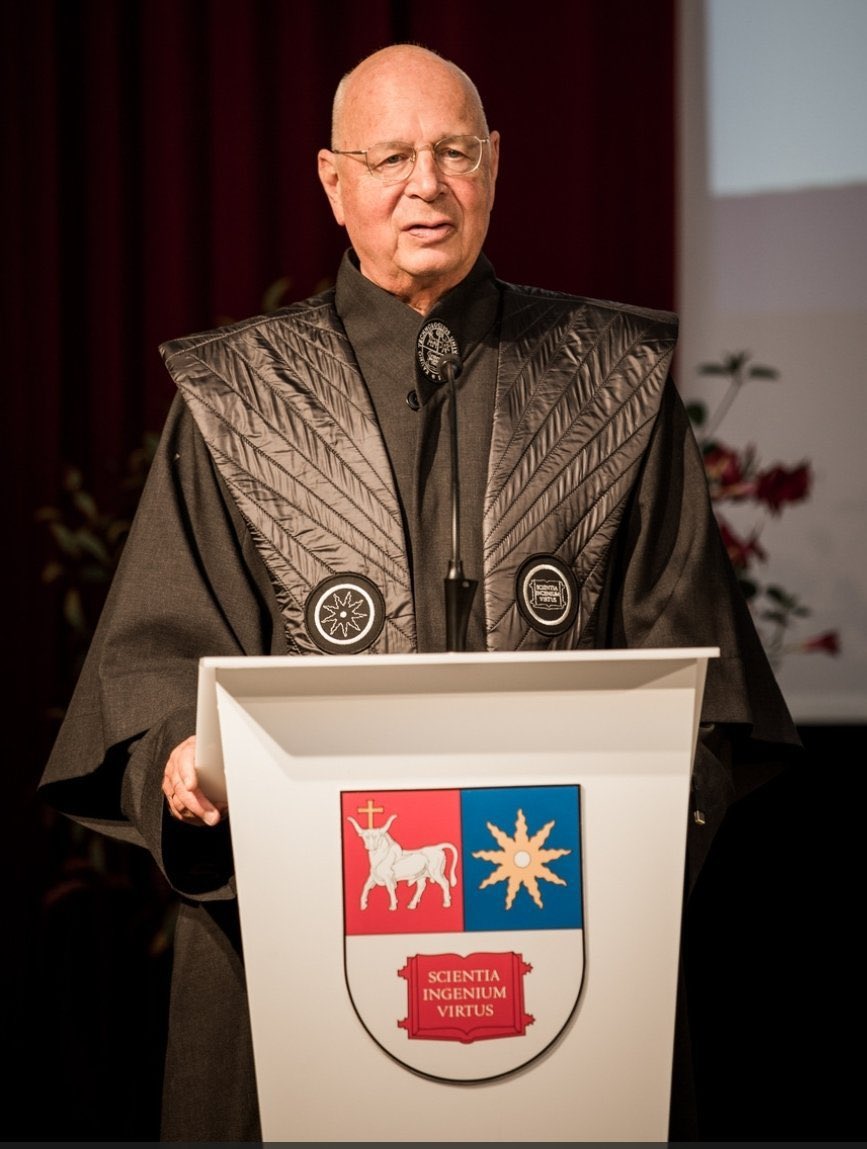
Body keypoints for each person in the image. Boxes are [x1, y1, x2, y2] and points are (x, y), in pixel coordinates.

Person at [40, 43, 800, 1142]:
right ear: (331, 180)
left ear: (495, 165)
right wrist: (181, 758)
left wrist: (640, 816)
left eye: (454, 152)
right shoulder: (239, 398)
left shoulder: (610, 381)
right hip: (291, 942)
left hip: (562, 929)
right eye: (390, 156)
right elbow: (156, 659)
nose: (426, 184)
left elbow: (700, 678)